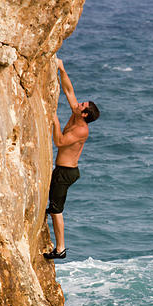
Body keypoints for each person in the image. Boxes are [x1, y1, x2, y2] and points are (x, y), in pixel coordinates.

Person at [44, 58, 100, 260]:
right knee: (50, 206)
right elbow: (68, 90)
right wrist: (61, 69)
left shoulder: (80, 129)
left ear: (84, 114)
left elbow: (59, 141)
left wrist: (54, 118)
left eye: (82, 105)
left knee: (56, 211)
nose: (78, 103)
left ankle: (60, 249)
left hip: (66, 173)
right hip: (63, 171)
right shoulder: (77, 114)